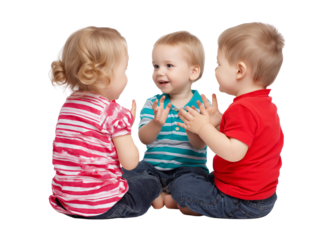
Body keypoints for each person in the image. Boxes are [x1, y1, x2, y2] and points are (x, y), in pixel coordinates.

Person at [170, 20, 286, 220]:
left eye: (218, 64)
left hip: (241, 201)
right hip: (263, 196)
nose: (215, 69)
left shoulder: (242, 108)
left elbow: (232, 153)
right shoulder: (265, 103)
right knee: (192, 171)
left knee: (181, 185)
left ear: (239, 71)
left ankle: (207, 206)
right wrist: (219, 121)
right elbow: (251, 140)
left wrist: (204, 127)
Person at [48, 25, 162, 220]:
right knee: (150, 181)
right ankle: (155, 199)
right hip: (104, 206)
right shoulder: (113, 112)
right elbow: (130, 161)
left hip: (67, 203)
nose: (127, 76)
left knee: (122, 173)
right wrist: (127, 128)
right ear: (102, 76)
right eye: (125, 70)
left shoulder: (66, 106)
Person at [121, 29, 212, 211]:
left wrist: (193, 126)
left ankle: (168, 196)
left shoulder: (203, 103)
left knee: (196, 182)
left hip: (189, 169)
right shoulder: (152, 102)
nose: (159, 72)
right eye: (155, 66)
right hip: (153, 169)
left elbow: (201, 144)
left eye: (169, 66)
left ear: (193, 72)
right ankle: (159, 193)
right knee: (128, 172)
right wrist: (156, 123)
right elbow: (143, 140)